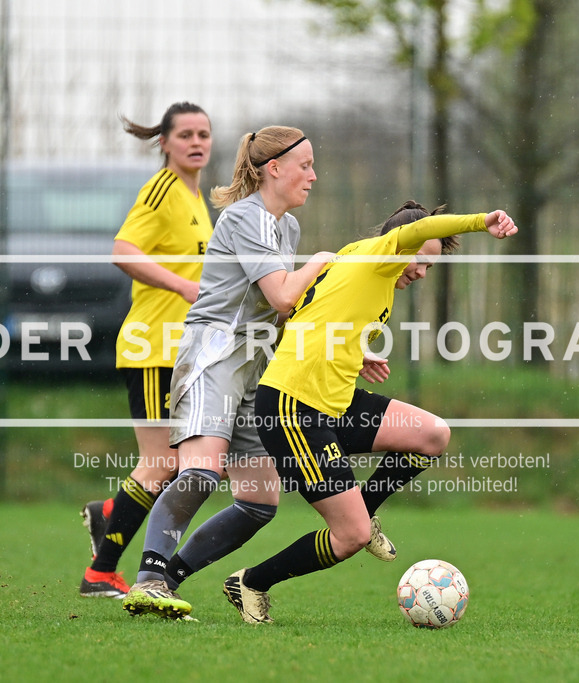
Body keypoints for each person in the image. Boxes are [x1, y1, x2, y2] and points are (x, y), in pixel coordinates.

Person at [220, 200, 517, 624]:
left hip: (333, 402)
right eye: (420, 260)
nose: (420, 272)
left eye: (430, 268)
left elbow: (309, 315)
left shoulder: (360, 262)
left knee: (432, 434)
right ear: (403, 243)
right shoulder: (382, 255)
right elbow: (420, 231)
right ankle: (252, 582)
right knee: (351, 536)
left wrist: (354, 356)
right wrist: (481, 222)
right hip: (293, 407)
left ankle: (367, 508)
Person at [121, 126, 350, 619]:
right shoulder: (247, 217)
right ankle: (146, 579)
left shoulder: (285, 227)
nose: (313, 175)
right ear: (274, 168)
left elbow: (288, 311)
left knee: (259, 500)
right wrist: (322, 263)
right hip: (215, 354)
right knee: (200, 472)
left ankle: (166, 580)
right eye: (305, 165)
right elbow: (284, 295)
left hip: (257, 362)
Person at [77, 103, 215, 600]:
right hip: (153, 347)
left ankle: (110, 517)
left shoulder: (196, 198)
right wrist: (180, 285)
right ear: (165, 142)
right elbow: (123, 251)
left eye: (203, 133)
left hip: (183, 353)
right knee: (162, 465)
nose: (196, 142)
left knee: (175, 467)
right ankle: (101, 572)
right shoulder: (161, 190)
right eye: (185, 134)